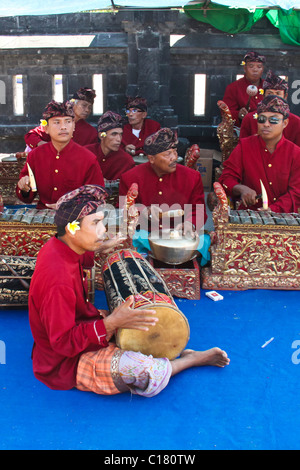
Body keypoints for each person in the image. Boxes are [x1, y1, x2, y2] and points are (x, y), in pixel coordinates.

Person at [28, 184, 230, 396]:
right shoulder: (57, 280)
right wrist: (111, 323)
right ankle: (189, 360)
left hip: (78, 322)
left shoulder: (58, 246)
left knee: (140, 320)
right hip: (63, 362)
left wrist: (101, 247)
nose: (103, 230)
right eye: (95, 223)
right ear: (72, 229)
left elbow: (75, 258)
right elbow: (62, 344)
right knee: (143, 370)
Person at [119, 128, 210, 266]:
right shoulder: (130, 178)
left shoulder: (192, 177)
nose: (174, 158)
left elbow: (198, 209)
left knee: (205, 241)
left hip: (182, 234)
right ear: (151, 158)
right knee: (131, 240)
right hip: (147, 235)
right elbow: (124, 211)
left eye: (175, 152)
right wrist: (146, 212)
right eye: (168, 154)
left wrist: (190, 223)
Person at [218, 95, 300, 213]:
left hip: (283, 218)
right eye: (262, 119)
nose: (266, 124)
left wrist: (273, 209)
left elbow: (296, 193)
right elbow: (226, 178)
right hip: (250, 215)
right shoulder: (244, 147)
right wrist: (241, 189)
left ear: (285, 123)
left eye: (273, 120)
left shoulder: (295, 153)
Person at [16, 100, 104, 209]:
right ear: (46, 128)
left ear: (74, 126)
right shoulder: (35, 156)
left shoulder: (88, 158)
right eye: (57, 122)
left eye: (68, 121)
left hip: (75, 218)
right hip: (43, 215)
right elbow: (26, 197)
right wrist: (25, 188)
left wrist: (72, 205)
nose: (63, 127)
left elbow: (97, 197)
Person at [24, 87, 98, 150]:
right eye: (84, 105)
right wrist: (42, 145)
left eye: (89, 107)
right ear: (73, 104)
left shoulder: (91, 132)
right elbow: (30, 136)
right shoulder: (57, 122)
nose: (87, 110)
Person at [240, 70, 300, 147]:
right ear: (264, 96)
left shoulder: (296, 122)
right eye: (270, 93)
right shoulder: (249, 119)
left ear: (285, 96)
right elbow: (242, 148)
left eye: (278, 94)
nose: (274, 98)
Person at [85, 111, 135, 180]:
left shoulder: (126, 161)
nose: (119, 139)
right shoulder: (86, 153)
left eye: (120, 134)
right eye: (114, 134)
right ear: (101, 136)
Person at [222, 51, 265, 127]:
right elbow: (226, 113)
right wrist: (238, 114)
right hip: (244, 128)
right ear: (245, 68)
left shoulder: (268, 87)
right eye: (251, 66)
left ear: (263, 69)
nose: (255, 70)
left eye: (259, 67)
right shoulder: (233, 88)